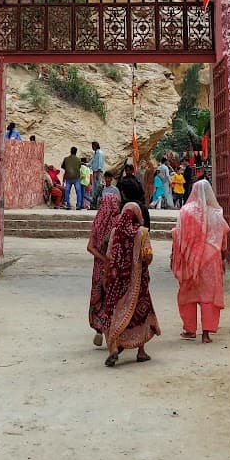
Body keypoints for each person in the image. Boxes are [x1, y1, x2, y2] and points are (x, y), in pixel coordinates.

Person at [101, 202, 159, 367]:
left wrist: (106, 277)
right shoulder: (142, 233)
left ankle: (113, 349)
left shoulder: (114, 232)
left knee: (116, 312)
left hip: (117, 281)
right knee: (141, 313)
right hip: (138, 281)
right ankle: (140, 351)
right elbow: (148, 256)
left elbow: (109, 256)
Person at [171, 179, 228, 343]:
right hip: (211, 260)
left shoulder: (185, 212)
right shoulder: (216, 214)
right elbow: (222, 239)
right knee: (208, 295)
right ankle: (206, 334)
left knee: (188, 293)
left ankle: (189, 330)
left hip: (190, 260)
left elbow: (178, 235)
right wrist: (222, 258)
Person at [86, 192, 123, 347]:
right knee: (113, 299)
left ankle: (99, 330)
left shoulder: (97, 222)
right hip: (113, 268)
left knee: (99, 297)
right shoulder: (118, 222)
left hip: (98, 268)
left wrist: (101, 259)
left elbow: (89, 247)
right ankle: (114, 333)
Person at [61, 146, 84, 210]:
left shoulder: (66, 159)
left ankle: (68, 204)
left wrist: (68, 169)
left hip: (68, 177)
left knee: (67, 191)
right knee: (78, 191)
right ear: (76, 152)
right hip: (76, 177)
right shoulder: (78, 159)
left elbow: (63, 166)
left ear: (70, 151)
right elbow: (79, 167)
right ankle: (78, 205)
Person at [88, 141, 106, 207]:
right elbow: (91, 163)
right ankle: (95, 203)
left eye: (93, 146)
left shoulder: (99, 153)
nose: (92, 147)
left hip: (98, 172)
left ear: (95, 146)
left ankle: (99, 203)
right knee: (95, 188)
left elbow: (100, 163)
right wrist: (85, 164)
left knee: (98, 187)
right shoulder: (96, 153)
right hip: (95, 172)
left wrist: (98, 172)